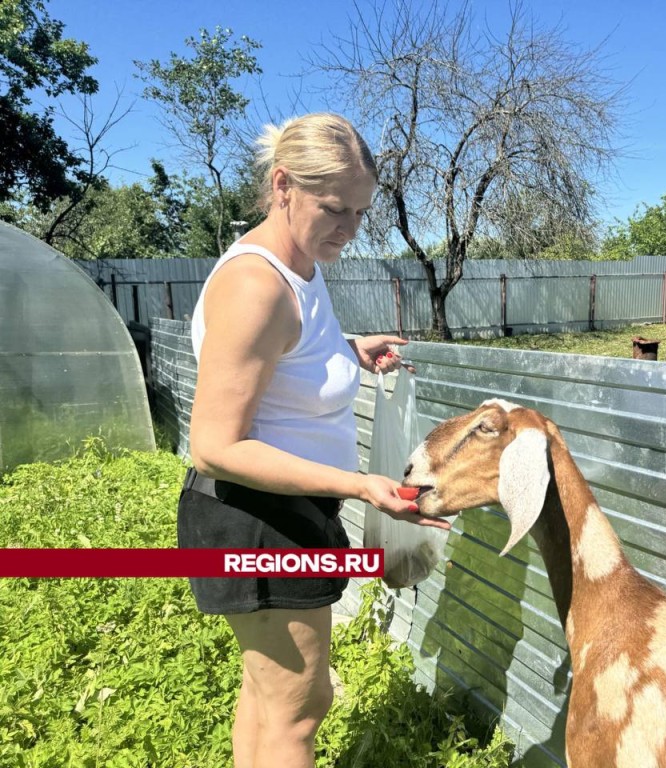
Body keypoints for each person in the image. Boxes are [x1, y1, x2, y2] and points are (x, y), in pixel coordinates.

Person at [177, 112, 450, 768]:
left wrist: (351, 350)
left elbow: (285, 363)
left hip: (281, 516)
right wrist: (357, 485)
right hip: (255, 520)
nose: (350, 230)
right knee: (299, 712)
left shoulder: (299, 264)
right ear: (282, 186)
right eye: (336, 209)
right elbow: (213, 445)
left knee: (269, 698)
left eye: (361, 212)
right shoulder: (256, 285)